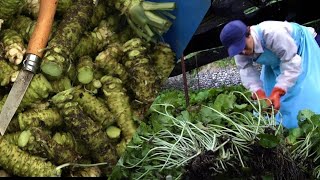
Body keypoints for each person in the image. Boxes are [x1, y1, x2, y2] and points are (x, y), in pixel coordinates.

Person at [219, 20, 320, 129]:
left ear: (248, 34)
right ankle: (280, 127)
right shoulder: (239, 50)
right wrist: (258, 92)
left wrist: (278, 91)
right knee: (269, 99)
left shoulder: (272, 33)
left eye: (243, 46)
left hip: (300, 51)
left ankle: (308, 126)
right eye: (238, 50)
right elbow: (245, 69)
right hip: (276, 61)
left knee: (307, 92)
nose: (243, 52)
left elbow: (291, 62)